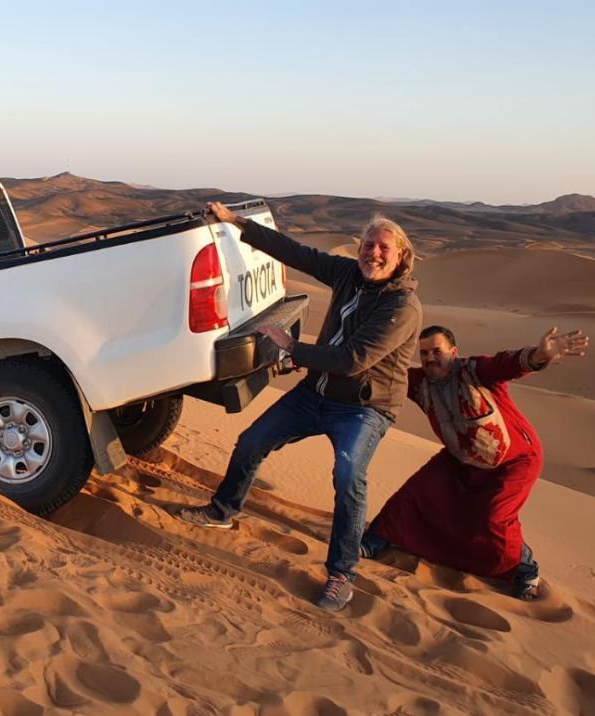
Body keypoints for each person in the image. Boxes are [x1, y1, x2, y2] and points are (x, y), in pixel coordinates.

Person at [177, 203, 422, 612]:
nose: (372, 253)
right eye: (367, 244)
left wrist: (291, 347)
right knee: (252, 441)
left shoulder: (402, 308)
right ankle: (222, 509)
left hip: (364, 408)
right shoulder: (348, 274)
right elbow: (297, 253)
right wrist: (237, 222)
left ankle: (341, 574)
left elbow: (351, 360)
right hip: (317, 392)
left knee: (348, 475)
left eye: (383, 248)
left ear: (401, 258)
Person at [360, 325, 590, 599]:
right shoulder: (419, 382)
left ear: (453, 352)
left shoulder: (476, 371)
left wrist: (539, 355)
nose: (430, 358)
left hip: (515, 461)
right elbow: (386, 377)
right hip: (461, 459)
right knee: (416, 494)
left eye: (437, 351)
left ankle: (525, 570)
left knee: (494, 518)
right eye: (424, 354)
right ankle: (375, 540)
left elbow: (507, 364)